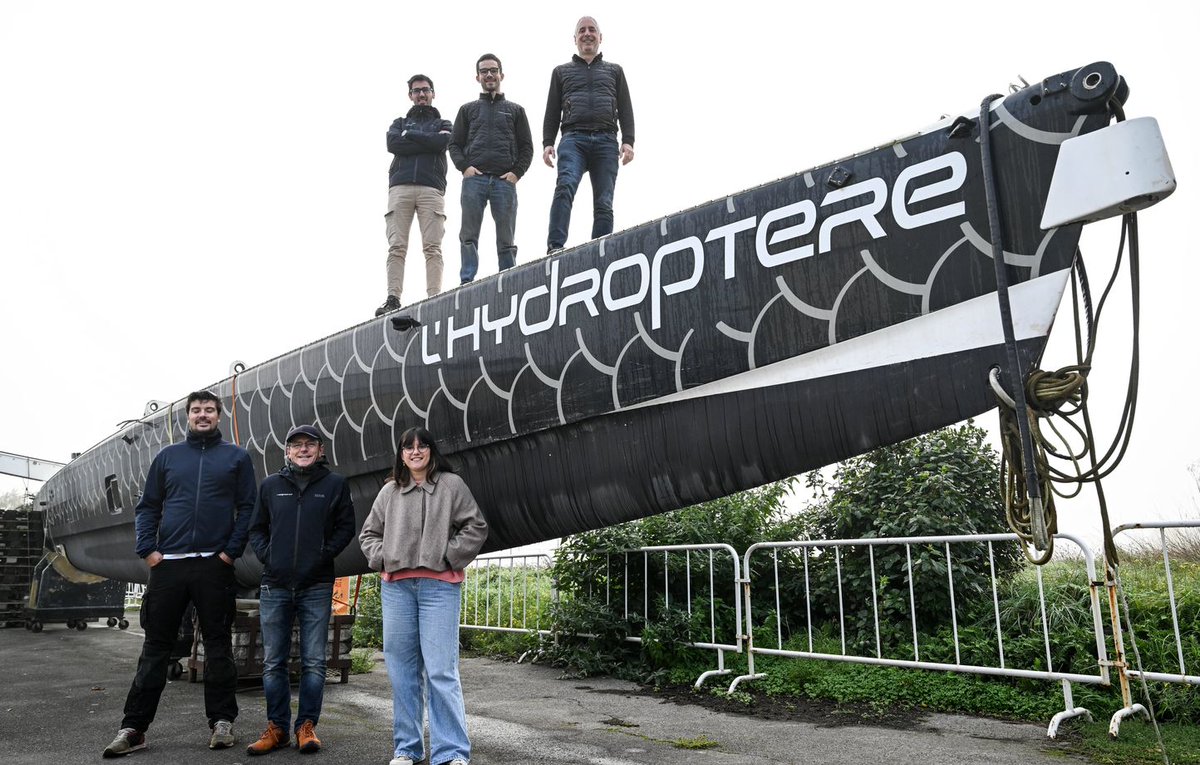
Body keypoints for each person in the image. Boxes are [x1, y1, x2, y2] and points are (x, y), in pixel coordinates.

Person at [103, 390, 257, 757]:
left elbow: (248, 506)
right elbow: (148, 507)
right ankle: (133, 727)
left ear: (219, 415)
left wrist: (229, 553)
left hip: (213, 566)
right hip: (169, 565)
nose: (202, 415)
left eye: (209, 410)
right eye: (196, 410)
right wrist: (148, 550)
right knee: (155, 647)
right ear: (187, 416)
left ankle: (222, 722)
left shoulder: (236, 458)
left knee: (218, 646)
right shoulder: (168, 457)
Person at [358, 427, 488, 765]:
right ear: (401, 454)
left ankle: (452, 753)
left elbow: (476, 527)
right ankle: (407, 749)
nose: (416, 452)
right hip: (396, 588)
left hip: (439, 588)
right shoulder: (389, 491)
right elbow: (369, 533)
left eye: (422, 446)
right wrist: (382, 558)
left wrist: (449, 556)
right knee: (402, 671)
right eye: (408, 447)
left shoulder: (451, 485)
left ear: (431, 450)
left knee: (441, 671)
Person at [244, 424, 356, 756]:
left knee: (314, 662)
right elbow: (256, 527)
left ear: (321, 450)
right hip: (275, 585)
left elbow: (346, 527)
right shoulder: (270, 486)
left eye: (310, 444)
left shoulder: (335, 485)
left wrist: (322, 555)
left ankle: (306, 727)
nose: (303, 449)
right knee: (273, 661)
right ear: (287, 452)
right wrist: (269, 556)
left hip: (316, 585)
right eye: (296, 445)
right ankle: (277, 728)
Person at [542, 16, 636, 254]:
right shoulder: (561, 72)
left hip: (606, 140)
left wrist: (628, 141)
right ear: (575, 39)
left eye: (592, 30)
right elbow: (552, 110)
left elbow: (625, 108)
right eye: (581, 30)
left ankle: (600, 249)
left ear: (600, 37)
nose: (587, 34)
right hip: (573, 139)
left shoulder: (615, 71)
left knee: (604, 202)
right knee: (565, 186)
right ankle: (555, 246)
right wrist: (547, 142)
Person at [448, 53, 534, 284]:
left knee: (506, 239)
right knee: (468, 236)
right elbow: (454, 144)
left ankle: (507, 280)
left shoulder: (516, 110)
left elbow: (527, 147)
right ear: (477, 77)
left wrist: (516, 174)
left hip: (504, 182)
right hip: (474, 180)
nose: (489, 74)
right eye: (484, 71)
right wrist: (464, 168)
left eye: (493, 70)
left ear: (501, 75)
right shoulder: (467, 110)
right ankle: (467, 281)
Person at [378, 74, 454, 317]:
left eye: (426, 90)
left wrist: (411, 137)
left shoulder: (445, 123)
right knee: (396, 246)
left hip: (431, 188)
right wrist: (427, 142)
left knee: (433, 246)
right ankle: (393, 298)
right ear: (410, 95)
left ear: (433, 93)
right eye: (417, 91)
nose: (422, 94)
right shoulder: (398, 123)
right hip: (400, 187)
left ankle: (435, 297)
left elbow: (442, 143)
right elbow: (392, 144)